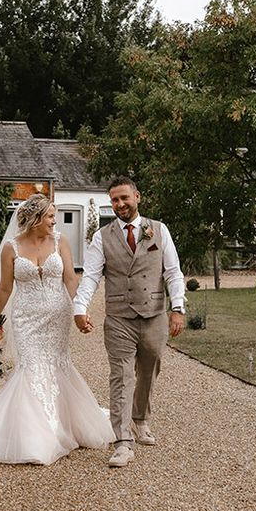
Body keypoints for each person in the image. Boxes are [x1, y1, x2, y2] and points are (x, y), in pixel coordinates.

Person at [0, 194, 115, 465]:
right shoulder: (12, 248)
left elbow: (70, 278)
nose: (55, 221)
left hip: (58, 317)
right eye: (50, 217)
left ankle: (64, 423)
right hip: (26, 319)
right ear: (34, 220)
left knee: (57, 365)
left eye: (54, 216)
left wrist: (80, 311)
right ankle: (38, 433)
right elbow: (5, 288)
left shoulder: (60, 242)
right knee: (31, 368)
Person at [73, 177, 186, 468]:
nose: (120, 204)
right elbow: (90, 276)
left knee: (149, 368)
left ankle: (140, 419)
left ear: (137, 196)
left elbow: (172, 272)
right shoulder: (102, 236)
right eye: (114, 200)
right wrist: (80, 307)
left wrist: (178, 308)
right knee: (121, 376)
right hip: (119, 317)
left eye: (124, 197)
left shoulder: (159, 230)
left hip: (154, 315)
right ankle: (122, 441)